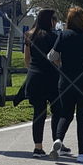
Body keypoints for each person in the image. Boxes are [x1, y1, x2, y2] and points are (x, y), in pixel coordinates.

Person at [49, 7, 83, 163]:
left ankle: (58, 139)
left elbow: (51, 56)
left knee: (66, 114)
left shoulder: (63, 35)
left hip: (65, 82)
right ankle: (82, 153)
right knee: (82, 118)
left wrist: (61, 65)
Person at [23, 9, 65, 157]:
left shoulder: (29, 35)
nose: (56, 21)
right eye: (55, 18)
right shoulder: (55, 36)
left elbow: (27, 59)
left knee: (38, 113)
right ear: (50, 20)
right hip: (53, 78)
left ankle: (38, 147)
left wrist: (34, 69)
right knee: (58, 111)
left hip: (34, 77)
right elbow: (58, 59)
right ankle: (57, 140)